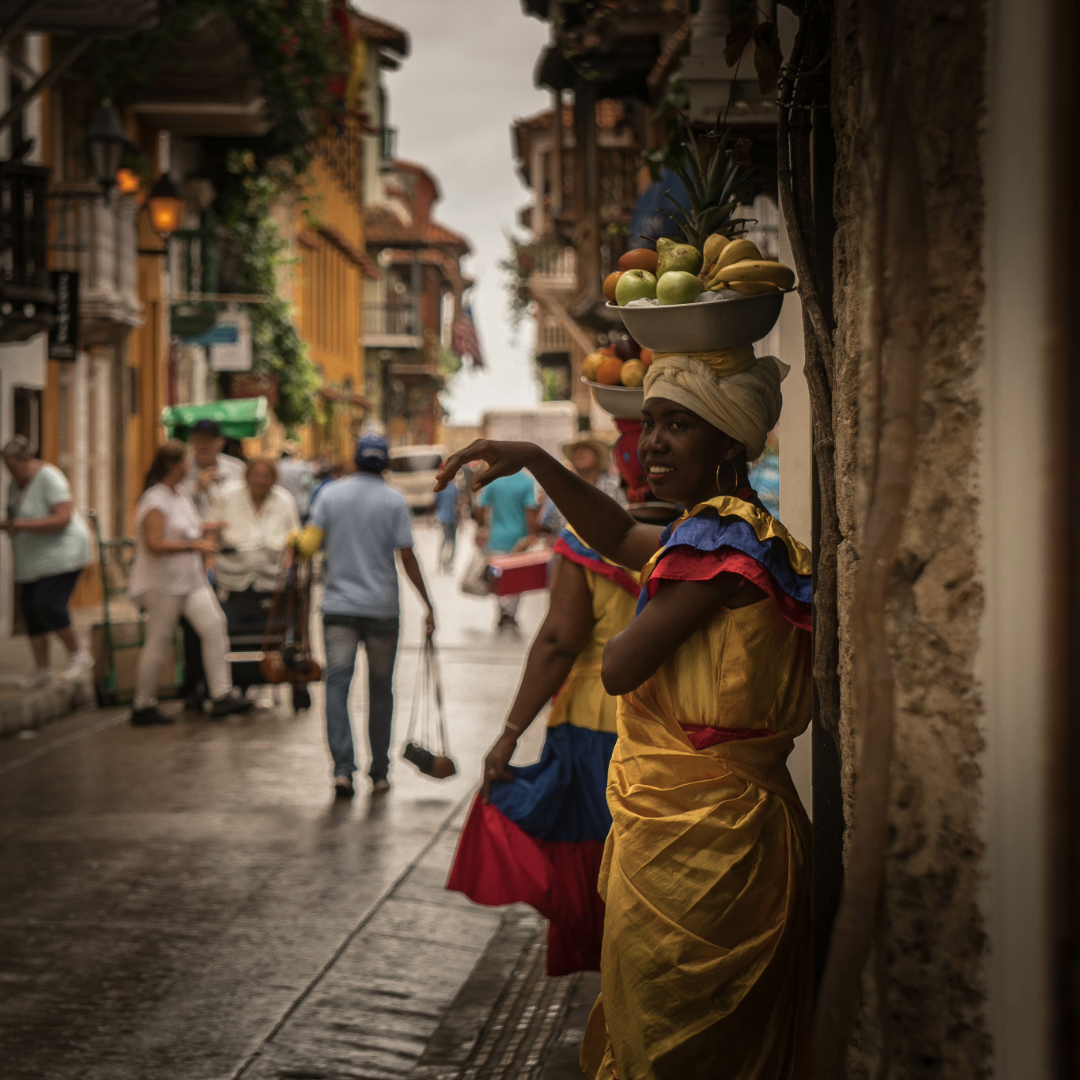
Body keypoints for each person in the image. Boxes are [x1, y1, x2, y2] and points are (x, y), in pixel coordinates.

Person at [435, 343, 813, 1078]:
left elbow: (617, 666)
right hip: (715, 824)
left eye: (680, 424)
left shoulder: (720, 544)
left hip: (709, 841)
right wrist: (538, 460)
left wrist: (651, 590)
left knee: (675, 1043)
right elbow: (612, 535)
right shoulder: (730, 533)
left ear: (730, 439)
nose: (655, 443)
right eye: (652, 423)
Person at [448, 502, 677, 975]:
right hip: (680, 722)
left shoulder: (586, 538)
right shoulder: (715, 535)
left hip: (596, 720)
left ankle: (624, 988)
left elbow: (559, 641)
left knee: (604, 862)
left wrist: (510, 734)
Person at [295, 434, 436, 798]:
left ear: (354, 460)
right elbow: (406, 556)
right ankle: (379, 772)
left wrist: (291, 542)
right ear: (385, 464)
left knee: (337, 688)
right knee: (380, 691)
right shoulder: (393, 500)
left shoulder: (330, 495)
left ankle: (343, 771)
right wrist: (427, 604)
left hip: (339, 609)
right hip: (382, 611)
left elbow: (308, 545)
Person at [128, 441, 253, 726]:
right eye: (185, 462)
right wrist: (193, 546)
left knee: (214, 626)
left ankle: (221, 693)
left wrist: (211, 529)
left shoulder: (180, 494)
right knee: (158, 640)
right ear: (173, 466)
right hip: (162, 583)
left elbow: (192, 526)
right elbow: (154, 542)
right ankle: (142, 703)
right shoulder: (155, 500)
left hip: (190, 580)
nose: (189, 466)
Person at [0, 436, 92, 687]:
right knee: (30, 608)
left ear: (28, 460)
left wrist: (22, 524)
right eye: (7, 467)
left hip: (63, 555)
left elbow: (62, 517)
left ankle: (78, 654)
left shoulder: (49, 477)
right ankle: (42, 668)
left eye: (14, 467)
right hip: (32, 560)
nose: (11, 472)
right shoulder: (14, 486)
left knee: (48, 604)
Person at [210, 458, 301, 703]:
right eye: (256, 475)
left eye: (266, 475)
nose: (260, 480)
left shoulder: (284, 501)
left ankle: (286, 667)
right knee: (224, 631)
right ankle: (227, 682)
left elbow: (293, 539)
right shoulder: (227, 496)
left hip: (271, 583)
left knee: (280, 629)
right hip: (232, 580)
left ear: (274, 479)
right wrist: (210, 561)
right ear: (247, 475)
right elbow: (212, 532)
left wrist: (289, 564)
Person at [475, 470, 537, 629]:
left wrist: (480, 527)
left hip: (497, 538)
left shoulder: (495, 481)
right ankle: (511, 612)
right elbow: (530, 510)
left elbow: (481, 506)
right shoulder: (526, 482)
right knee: (516, 577)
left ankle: (502, 608)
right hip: (519, 539)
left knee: (499, 576)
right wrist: (532, 534)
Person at [538, 435, 623, 537]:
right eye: (576, 450)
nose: (580, 453)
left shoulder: (614, 487)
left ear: (597, 457)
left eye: (586, 449)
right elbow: (548, 527)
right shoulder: (561, 490)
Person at [180, 418, 244, 518]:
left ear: (221, 443)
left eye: (209, 440)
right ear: (192, 441)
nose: (204, 445)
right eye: (199, 439)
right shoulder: (182, 469)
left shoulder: (237, 468)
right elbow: (173, 502)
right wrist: (196, 487)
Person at [433, 471, 461, 572]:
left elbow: (435, 502)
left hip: (443, 517)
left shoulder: (441, 487)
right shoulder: (455, 487)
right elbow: (458, 504)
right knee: (452, 541)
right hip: (451, 517)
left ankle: (440, 562)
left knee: (444, 540)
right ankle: (448, 564)